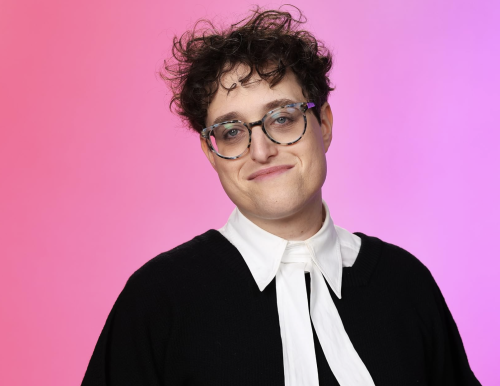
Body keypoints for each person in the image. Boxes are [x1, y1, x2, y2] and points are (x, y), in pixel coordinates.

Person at [81, 7, 481, 386]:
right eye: (232, 131)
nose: (261, 151)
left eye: (282, 118)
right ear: (210, 152)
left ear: (323, 124)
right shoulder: (157, 300)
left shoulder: (405, 283)